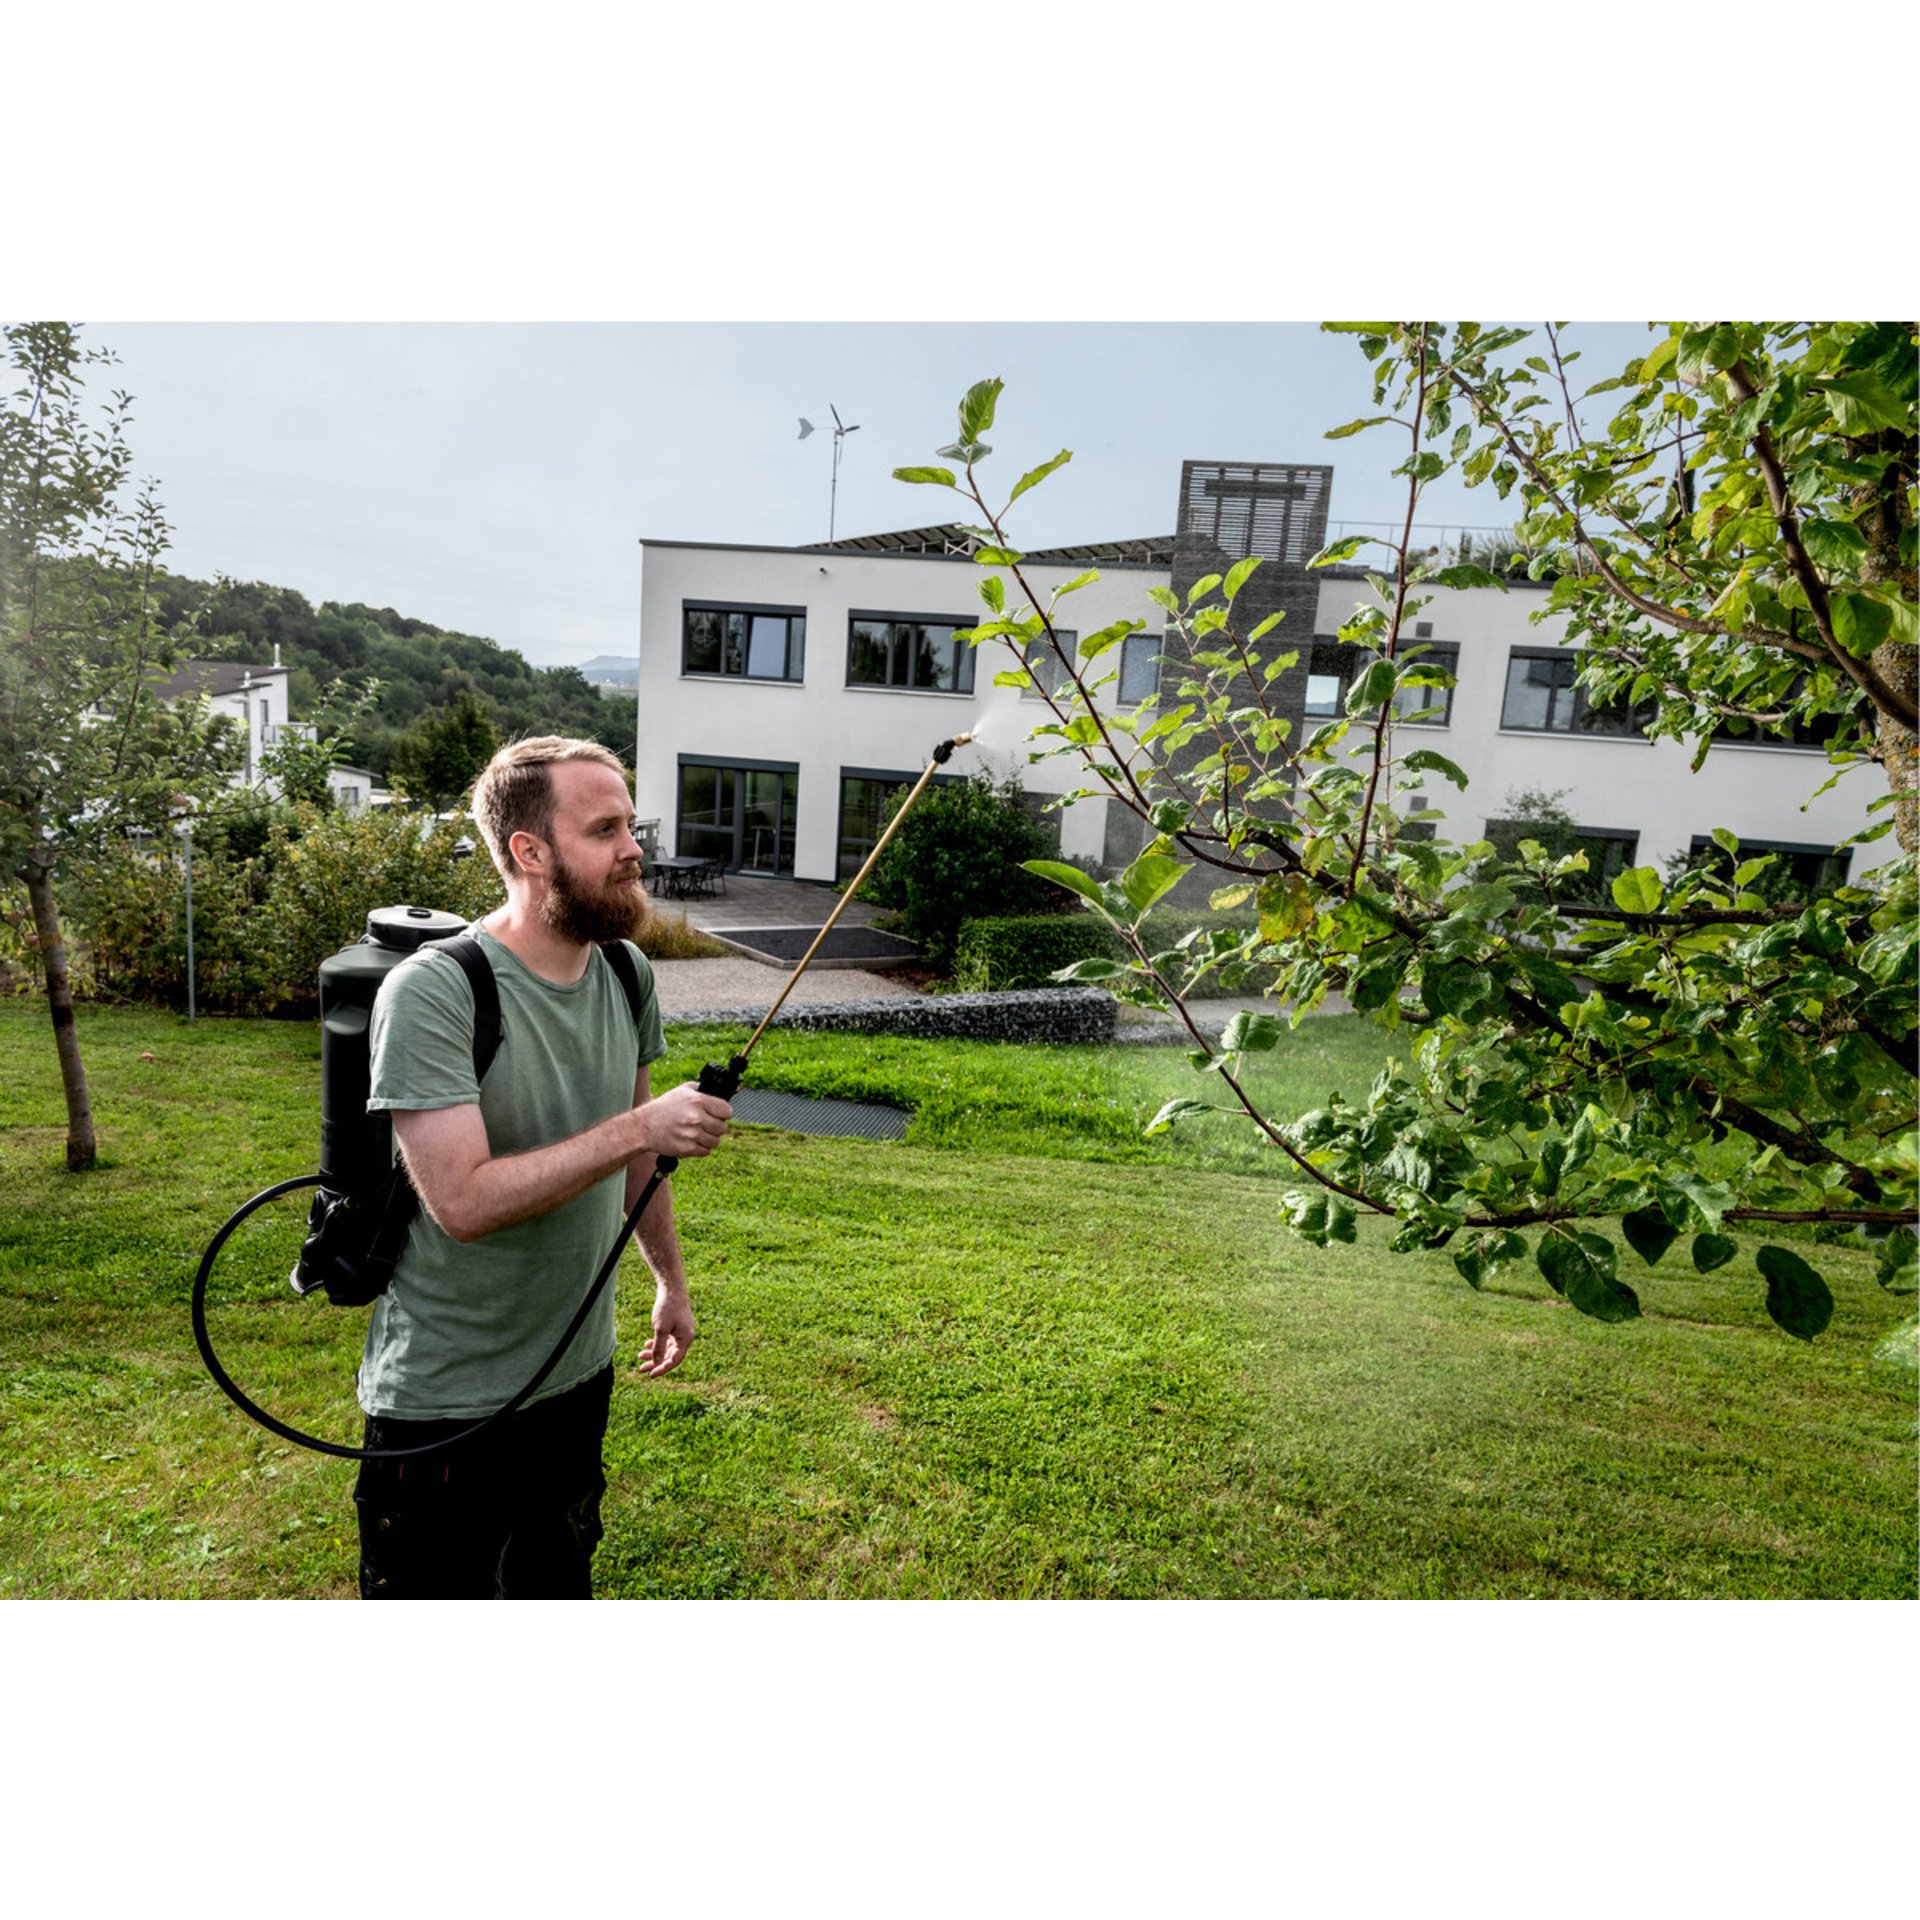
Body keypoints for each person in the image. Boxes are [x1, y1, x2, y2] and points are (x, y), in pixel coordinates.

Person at [350, 736, 732, 1599]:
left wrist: (669, 1282)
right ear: (530, 851)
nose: (635, 849)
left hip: (575, 1377)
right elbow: (463, 1202)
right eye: (605, 830)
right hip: (446, 1403)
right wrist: (639, 1122)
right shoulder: (434, 992)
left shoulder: (626, 972)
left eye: (631, 825)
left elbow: (639, 1160)